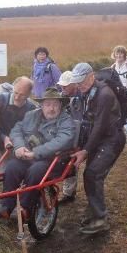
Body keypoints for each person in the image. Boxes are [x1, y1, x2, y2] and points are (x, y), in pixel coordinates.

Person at [0, 88, 76, 219]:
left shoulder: (66, 121)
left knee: (36, 170)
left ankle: (25, 208)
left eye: (55, 104)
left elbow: (61, 141)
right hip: (29, 156)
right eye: (47, 104)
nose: (51, 109)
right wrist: (19, 147)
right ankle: (5, 206)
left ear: (61, 105)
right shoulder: (31, 115)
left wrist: (34, 153)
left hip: (53, 160)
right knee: (12, 166)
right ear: (41, 105)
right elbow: (16, 131)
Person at [69, 63, 126, 234]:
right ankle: (94, 210)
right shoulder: (85, 93)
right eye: (77, 82)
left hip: (112, 139)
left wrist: (85, 151)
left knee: (93, 174)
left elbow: (99, 126)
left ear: (92, 76)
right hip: (99, 139)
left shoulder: (105, 95)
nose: (80, 85)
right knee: (90, 174)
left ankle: (101, 219)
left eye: (83, 81)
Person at [0, 77, 37, 154]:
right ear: (13, 88)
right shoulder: (0, 99)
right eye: (16, 93)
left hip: (14, 144)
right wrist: (3, 138)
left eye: (22, 95)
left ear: (29, 94)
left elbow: (29, 132)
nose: (17, 97)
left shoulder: (32, 109)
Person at [56, 71, 83, 203]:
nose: (63, 88)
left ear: (74, 84)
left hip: (81, 134)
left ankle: (69, 192)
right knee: (67, 161)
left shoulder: (82, 97)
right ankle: (68, 193)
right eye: (61, 86)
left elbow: (82, 120)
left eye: (65, 86)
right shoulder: (61, 97)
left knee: (73, 161)